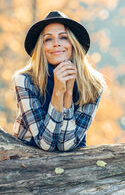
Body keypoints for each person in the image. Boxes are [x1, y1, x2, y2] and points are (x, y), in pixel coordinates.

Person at [13, 11, 105, 151]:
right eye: (48, 39)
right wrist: (58, 91)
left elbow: (66, 145)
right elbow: (45, 144)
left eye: (63, 37)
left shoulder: (93, 85)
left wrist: (68, 92)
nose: (56, 44)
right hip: (27, 160)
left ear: (73, 44)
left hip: (73, 163)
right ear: (41, 48)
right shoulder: (25, 80)